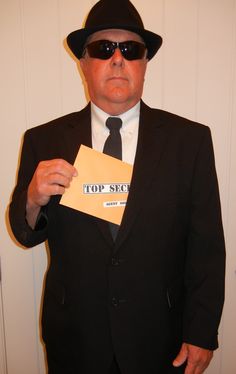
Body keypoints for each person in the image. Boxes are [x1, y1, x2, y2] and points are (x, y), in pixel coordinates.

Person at [9, 0, 225, 373]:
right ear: (83, 63)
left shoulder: (189, 142)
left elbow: (206, 247)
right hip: (75, 338)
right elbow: (24, 233)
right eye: (103, 48)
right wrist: (31, 199)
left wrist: (203, 332)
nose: (117, 59)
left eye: (131, 50)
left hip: (160, 339)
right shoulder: (43, 140)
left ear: (144, 64)